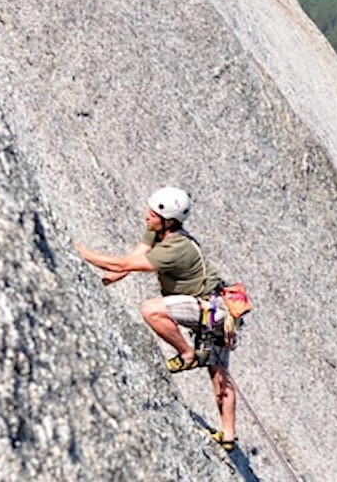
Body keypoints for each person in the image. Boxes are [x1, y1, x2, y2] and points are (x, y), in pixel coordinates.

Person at [74, 187, 238, 451]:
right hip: (212, 309)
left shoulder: (176, 248)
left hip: (211, 310)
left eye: (152, 214)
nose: (146, 216)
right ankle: (227, 433)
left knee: (152, 309)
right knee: (218, 371)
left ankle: (187, 357)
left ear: (168, 220)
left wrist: (81, 253)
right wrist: (99, 283)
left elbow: (123, 265)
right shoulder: (157, 230)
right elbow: (129, 262)